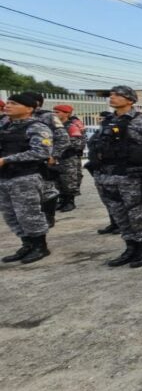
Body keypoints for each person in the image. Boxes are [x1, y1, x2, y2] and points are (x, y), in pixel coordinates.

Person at [87, 86, 142, 268]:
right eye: (111, 95)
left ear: (130, 100)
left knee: (137, 214)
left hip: (130, 176)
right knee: (119, 214)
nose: (112, 97)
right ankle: (129, 247)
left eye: (118, 95)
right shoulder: (107, 121)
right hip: (106, 176)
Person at [0, 94, 53, 264]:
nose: (8, 106)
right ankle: (27, 244)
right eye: (8, 102)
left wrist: (7, 160)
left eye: (14, 103)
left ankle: (40, 246)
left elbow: (42, 152)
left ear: (29, 109)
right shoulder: (5, 126)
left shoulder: (37, 127)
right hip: (5, 177)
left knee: (29, 214)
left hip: (25, 177)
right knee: (11, 214)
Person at [22, 92, 69, 228]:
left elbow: (63, 138)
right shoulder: (13, 119)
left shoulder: (47, 116)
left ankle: (48, 216)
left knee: (47, 191)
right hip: (22, 161)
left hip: (42, 160)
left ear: (36, 103)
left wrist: (54, 156)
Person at [52, 104, 85, 212]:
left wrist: (60, 144)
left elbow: (77, 143)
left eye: (58, 112)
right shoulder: (54, 126)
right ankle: (62, 200)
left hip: (68, 158)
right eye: (54, 112)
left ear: (67, 114)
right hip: (56, 158)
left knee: (69, 180)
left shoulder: (71, 126)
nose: (55, 114)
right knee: (57, 180)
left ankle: (70, 201)